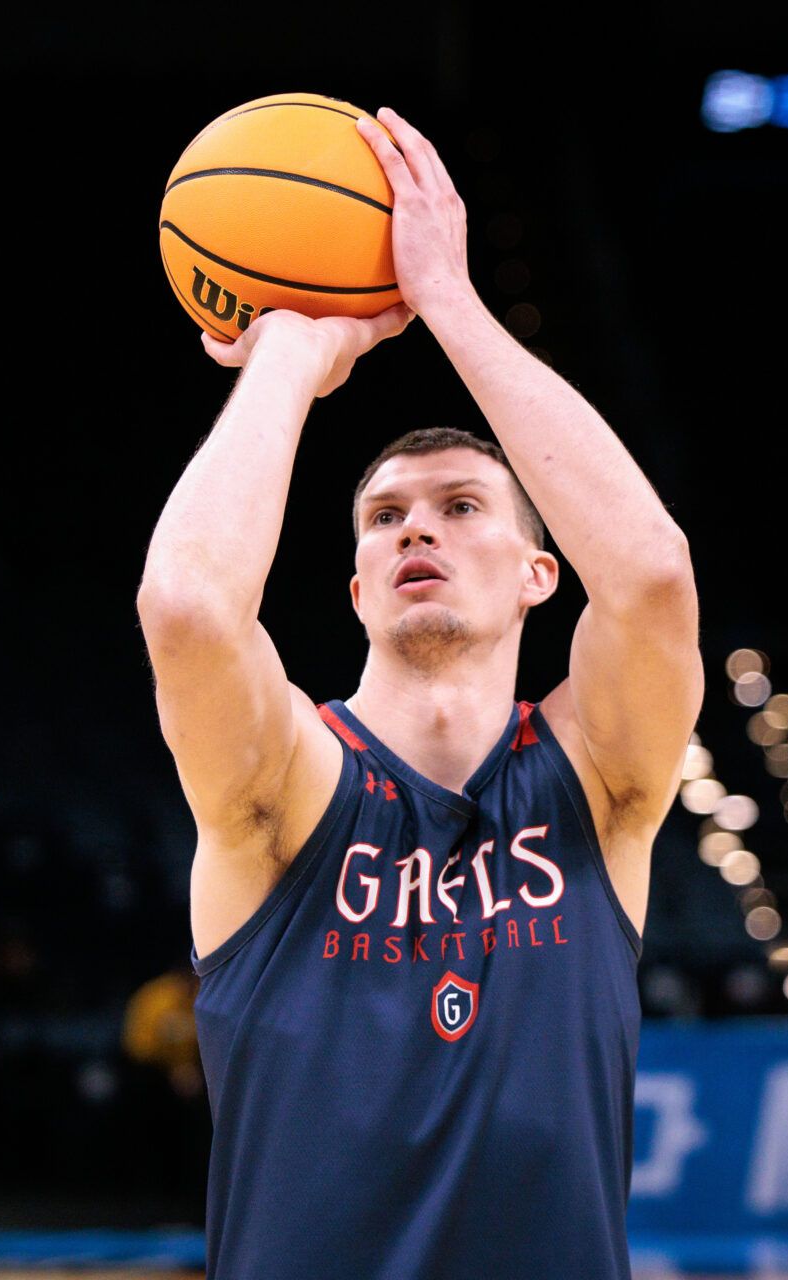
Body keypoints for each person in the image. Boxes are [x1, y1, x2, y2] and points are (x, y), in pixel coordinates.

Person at [137, 106, 702, 1278]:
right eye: (386, 516)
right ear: (355, 588)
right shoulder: (286, 789)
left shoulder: (597, 779)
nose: (417, 530)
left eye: (460, 507)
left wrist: (448, 300)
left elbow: (650, 574)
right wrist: (291, 349)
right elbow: (188, 608)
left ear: (542, 573)